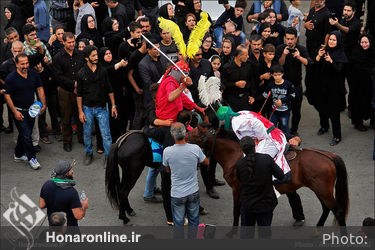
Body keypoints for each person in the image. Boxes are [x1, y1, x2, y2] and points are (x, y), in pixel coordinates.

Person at [163, 122, 209, 233]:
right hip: (193, 191)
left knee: (178, 222)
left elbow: (167, 170)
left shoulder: (167, 151)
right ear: (185, 134)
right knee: (194, 220)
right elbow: (206, 162)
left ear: (172, 135)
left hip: (177, 193)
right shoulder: (195, 149)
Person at [236, 136, 284, 238]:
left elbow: (240, 181)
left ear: (242, 149)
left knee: (246, 236)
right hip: (266, 204)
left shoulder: (239, 164)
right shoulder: (266, 159)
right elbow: (280, 175)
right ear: (255, 146)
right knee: (265, 235)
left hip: (248, 205)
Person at [4, 53, 46, 170]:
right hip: (19, 111)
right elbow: (7, 96)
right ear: (16, 64)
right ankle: (32, 158)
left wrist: (43, 104)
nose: (25, 66)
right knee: (27, 135)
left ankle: (18, 154)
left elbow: (40, 88)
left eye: (27, 63)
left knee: (24, 134)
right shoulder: (11, 78)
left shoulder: (33, 74)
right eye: (22, 64)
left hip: (32, 110)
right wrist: (15, 112)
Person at [77, 45, 117, 165]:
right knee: (87, 133)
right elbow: (79, 94)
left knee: (106, 135)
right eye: (93, 55)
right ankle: (89, 153)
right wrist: (80, 111)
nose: (96, 57)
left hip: (102, 108)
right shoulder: (81, 73)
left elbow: (110, 89)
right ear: (86, 58)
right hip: (87, 108)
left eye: (96, 55)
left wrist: (113, 106)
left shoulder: (103, 70)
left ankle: (108, 156)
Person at [52, 32, 85, 152]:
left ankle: (82, 138)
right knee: (66, 117)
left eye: (73, 42)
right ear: (63, 42)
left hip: (80, 91)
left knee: (80, 115)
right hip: (65, 91)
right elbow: (58, 76)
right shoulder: (58, 57)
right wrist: (73, 84)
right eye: (69, 42)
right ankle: (67, 141)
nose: (72, 44)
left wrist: (79, 84)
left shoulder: (80, 54)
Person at [314, 31, 348, 146]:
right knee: (321, 108)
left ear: (338, 41)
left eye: (334, 40)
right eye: (330, 40)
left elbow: (339, 71)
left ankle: (337, 136)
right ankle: (324, 127)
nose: (331, 42)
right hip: (322, 85)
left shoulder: (340, 54)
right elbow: (315, 66)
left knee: (334, 113)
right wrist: (318, 56)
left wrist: (331, 61)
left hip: (334, 88)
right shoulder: (324, 51)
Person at [276, 27, 311, 135]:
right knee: (282, 109)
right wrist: (284, 54)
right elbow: (279, 65)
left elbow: (308, 63)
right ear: (285, 39)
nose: (289, 41)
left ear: (296, 38)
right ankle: (281, 131)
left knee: (296, 111)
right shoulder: (280, 48)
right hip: (282, 86)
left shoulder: (301, 48)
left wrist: (299, 57)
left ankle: (294, 130)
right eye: (287, 39)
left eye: (292, 39)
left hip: (296, 85)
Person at [329, 0, 361, 116]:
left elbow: (347, 31)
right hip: (341, 57)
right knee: (339, 83)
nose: (346, 12)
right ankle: (341, 105)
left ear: (354, 12)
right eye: (344, 10)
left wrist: (337, 24)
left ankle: (351, 108)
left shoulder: (356, 23)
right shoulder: (342, 20)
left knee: (353, 86)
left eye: (348, 10)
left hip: (352, 60)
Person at [39, 160, 89, 229]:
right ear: (66, 174)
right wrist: (84, 206)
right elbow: (79, 216)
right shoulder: (72, 192)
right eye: (70, 170)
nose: (72, 171)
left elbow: (42, 205)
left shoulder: (47, 185)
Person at [98, 47, 128, 141]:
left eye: (110, 53)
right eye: (106, 54)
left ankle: (119, 137)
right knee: (109, 119)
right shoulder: (100, 66)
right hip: (106, 96)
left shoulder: (115, 62)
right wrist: (119, 64)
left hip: (118, 93)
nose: (109, 55)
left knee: (120, 117)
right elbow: (108, 71)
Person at [304, 0, 331, 106]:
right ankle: (309, 90)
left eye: (319, 0)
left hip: (318, 46)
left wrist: (324, 47)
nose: (316, 1)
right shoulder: (312, 10)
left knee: (316, 68)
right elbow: (308, 22)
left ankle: (316, 93)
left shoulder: (326, 14)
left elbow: (327, 34)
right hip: (309, 44)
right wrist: (305, 25)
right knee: (309, 66)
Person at [256, 64, 295, 134]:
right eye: (275, 75)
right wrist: (254, 99)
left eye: (279, 75)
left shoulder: (287, 84)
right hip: (274, 111)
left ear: (282, 74)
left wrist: (282, 101)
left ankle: (286, 142)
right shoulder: (271, 85)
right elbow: (265, 95)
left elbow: (293, 95)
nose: (277, 77)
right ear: (272, 75)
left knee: (284, 127)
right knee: (271, 127)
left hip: (284, 111)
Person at [221, 44, 256, 112]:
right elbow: (224, 83)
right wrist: (235, 84)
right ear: (239, 56)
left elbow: (252, 81)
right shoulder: (227, 67)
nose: (248, 56)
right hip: (232, 99)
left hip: (245, 98)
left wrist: (252, 96)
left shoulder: (249, 65)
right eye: (246, 55)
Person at [350, 34, 375, 131]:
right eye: (362, 42)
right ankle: (358, 123)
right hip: (358, 84)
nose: (364, 45)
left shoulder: (372, 52)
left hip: (369, 83)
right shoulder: (356, 53)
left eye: (366, 42)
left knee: (370, 102)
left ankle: (372, 122)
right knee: (358, 102)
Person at [138, 37, 165, 109]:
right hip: (153, 98)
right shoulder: (143, 64)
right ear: (148, 50)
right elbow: (148, 83)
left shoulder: (163, 57)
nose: (158, 50)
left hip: (166, 94)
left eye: (159, 47)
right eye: (155, 49)